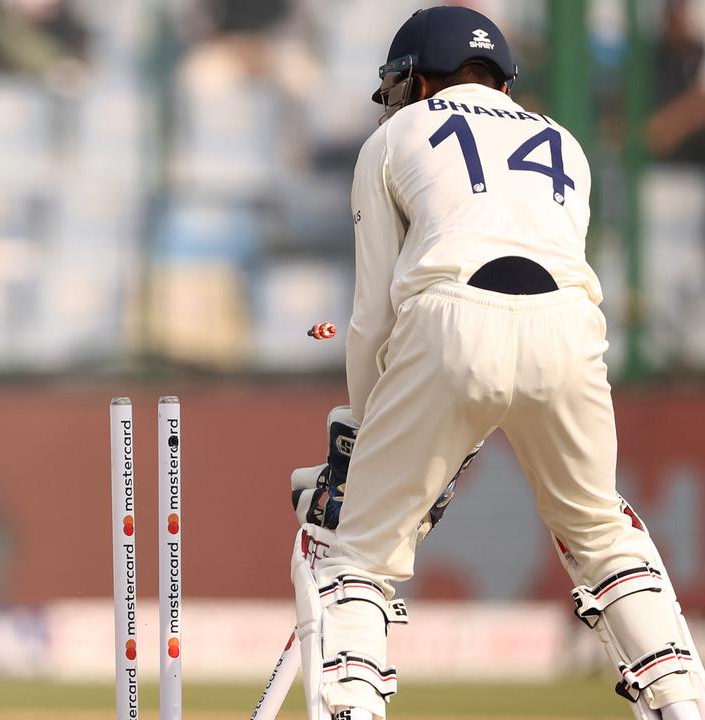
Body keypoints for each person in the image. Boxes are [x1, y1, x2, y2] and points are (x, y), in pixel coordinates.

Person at [300, 7, 705, 720]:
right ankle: (681, 705)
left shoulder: (395, 135)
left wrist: (366, 439)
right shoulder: (564, 142)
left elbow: (370, 319)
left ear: (417, 80)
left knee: (359, 557)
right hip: (572, 330)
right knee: (603, 534)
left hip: (446, 315)